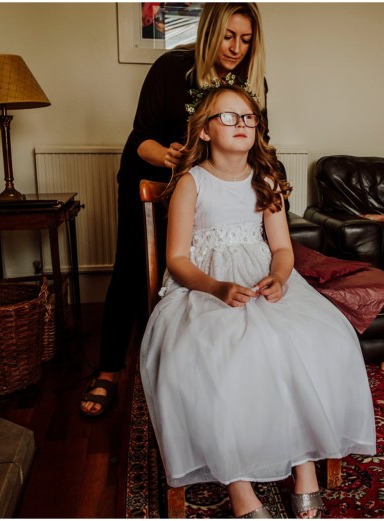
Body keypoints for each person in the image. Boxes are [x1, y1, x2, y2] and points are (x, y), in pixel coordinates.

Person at [139, 83, 376, 518]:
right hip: (206, 286)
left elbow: (283, 249)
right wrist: (216, 288)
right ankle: (240, 486)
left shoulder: (265, 181)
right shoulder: (192, 182)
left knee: (310, 340)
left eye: (248, 117)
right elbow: (176, 258)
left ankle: (304, 465)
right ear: (205, 131)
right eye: (228, 116)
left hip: (264, 279)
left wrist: (281, 278)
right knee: (223, 351)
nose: (241, 123)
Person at [81, 3, 268, 416]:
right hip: (154, 178)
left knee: (203, 270)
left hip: (214, 192)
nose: (236, 48)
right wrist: (167, 156)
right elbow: (139, 138)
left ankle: (197, 366)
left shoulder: (251, 82)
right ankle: (109, 370)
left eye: (246, 39)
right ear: (209, 32)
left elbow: (258, 139)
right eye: (228, 36)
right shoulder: (171, 68)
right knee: (131, 269)